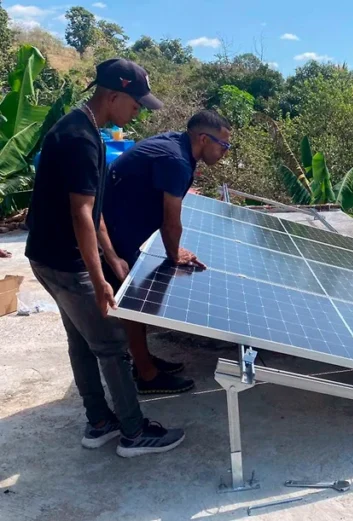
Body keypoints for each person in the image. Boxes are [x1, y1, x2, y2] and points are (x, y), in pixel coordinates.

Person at [25, 57, 185, 457]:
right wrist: (99, 282)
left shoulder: (83, 128)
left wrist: (112, 257)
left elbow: (91, 211)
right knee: (112, 345)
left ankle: (99, 423)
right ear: (113, 95)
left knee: (81, 343)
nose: (137, 112)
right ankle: (133, 433)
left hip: (45, 257)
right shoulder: (80, 139)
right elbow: (80, 214)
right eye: (135, 104)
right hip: (66, 262)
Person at [101, 110, 232, 394]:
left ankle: (143, 360)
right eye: (223, 144)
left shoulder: (176, 147)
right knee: (133, 306)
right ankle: (147, 376)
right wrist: (175, 255)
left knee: (140, 301)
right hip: (111, 238)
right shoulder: (176, 160)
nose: (224, 151)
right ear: (202, 138)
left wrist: (173, 250)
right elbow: (171, 221)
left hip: (121, 231)